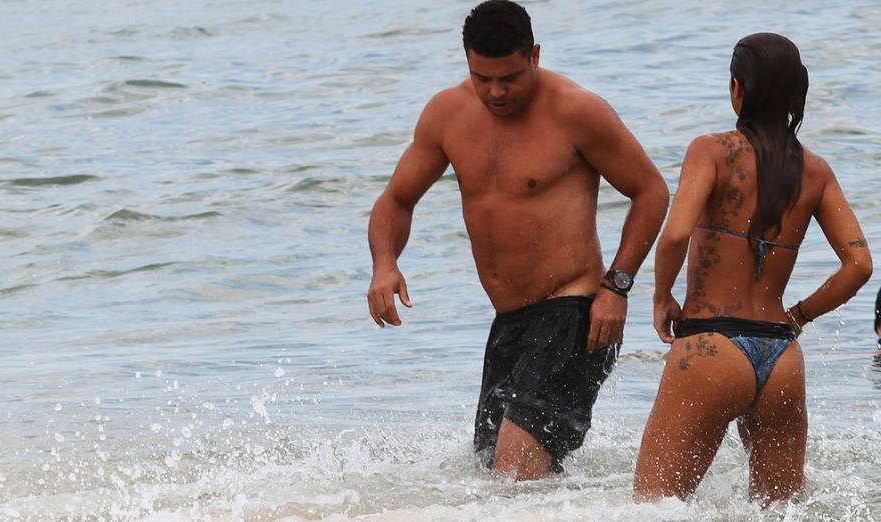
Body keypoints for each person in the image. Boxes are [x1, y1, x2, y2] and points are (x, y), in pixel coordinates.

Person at [366, 0, 668, 480]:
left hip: (576, 313)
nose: (496, 91)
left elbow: (650, 191)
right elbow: (396, 200)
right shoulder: (447, 114)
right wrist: (385, 263)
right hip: (509, 323)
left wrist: (617, 287)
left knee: (515, 471)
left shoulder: (576, 111)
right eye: (482, 78)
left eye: (509, 77)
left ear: (535, 56)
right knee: (496, 476)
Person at [633, 33, 873, 504]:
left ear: (737, 89)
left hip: (710, 347)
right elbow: (860, 264)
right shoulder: (816, 170)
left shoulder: (711, 150)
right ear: (795, 94)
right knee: (780, 511)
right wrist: (800, 315)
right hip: (782, 357)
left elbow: (677, 233)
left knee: (651, 507)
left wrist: (662, 296)